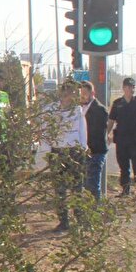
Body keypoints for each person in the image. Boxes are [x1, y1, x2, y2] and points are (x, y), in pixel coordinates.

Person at [44, 82, 87, 229]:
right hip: (57, 151)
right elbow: (43, 127)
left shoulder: (77, 110)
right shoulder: (51, 109)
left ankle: (80, 219)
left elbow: (82, 131)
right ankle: (64, 221)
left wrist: (83, 149)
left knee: (77, 188)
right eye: (70, 92)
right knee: (60, 189)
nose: (72, 95)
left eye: (74, 93)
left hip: (74, 152)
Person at [80, 81, 109, 201]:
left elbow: (97, 133)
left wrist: (88, 149)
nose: (82, 96)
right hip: (85, 152)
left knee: (93, 185)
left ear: (92, 93)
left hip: (95, 152)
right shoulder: (80, 108)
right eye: (81, 93)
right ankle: (89, 211)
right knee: (86, 185)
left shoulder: (99, 109)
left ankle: (96, 210)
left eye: (85, 93)